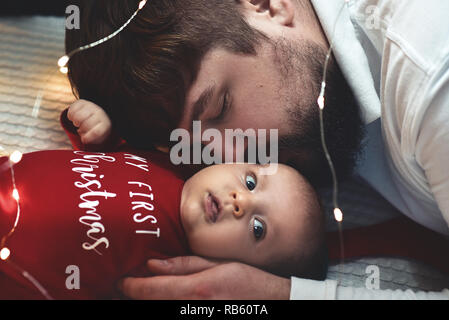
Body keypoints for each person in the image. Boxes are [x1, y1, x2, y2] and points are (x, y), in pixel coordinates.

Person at [63, 0, 449, 299]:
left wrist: (278, 296)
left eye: (220, 107)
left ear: (267, 6)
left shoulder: (431, 73)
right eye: (199, 150)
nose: (233, 156)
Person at [0, 149, 327, 299]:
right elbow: (102, 149)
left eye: (259, 229)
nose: (240, 200)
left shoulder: (170, 274)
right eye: (252, 182)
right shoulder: (166, 160)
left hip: (18, 275)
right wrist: (94, 124)